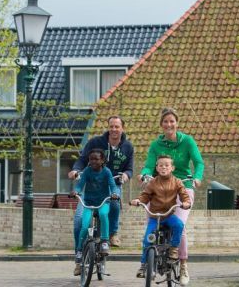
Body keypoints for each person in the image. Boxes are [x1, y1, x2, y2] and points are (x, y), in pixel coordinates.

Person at [137, 107, 204, 285]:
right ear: (161, 124)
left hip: (183, 187)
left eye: (172, 121)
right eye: (165, 121)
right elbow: (149, 165)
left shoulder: (187, 141)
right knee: (152, 222)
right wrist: (144, 174)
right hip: (159, 188)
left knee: (179, 225)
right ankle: (149, 258)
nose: (169, 124)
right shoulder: (155, 145)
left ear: (177, 123)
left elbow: (198, 162)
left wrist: (197, 177)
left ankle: (183, 266)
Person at [68, 115, 133, 248]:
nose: (114, 129)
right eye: (111, 126)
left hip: (113, 184)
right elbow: (82, 159)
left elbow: (130, 169)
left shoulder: (128, 147)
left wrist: (126, 175)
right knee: (79, 221)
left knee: (114, 203)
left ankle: (112, 233)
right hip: (92, 185)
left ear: (122, 128)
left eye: (117, 126)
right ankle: (78, 255)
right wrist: (76, 170)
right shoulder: (95, 142)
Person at [130, 154, 191, 278]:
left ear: (172, 168)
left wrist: (186, 202)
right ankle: (143, 265)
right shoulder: (152, 183)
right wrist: (138, 200)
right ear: (157, 168)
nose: (164, 168)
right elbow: (145, 195)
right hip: (155, 216)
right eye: (161, 165)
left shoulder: (177, 182)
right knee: (147, 238)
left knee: (179, 225)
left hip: (169, 215)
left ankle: (174, 248)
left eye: (167, 165)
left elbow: (184, 194)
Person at [70, 148, 119, 276]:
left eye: (96, 159)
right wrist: (76, 191)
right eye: (91, 159)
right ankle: (80, 250)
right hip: (89, 203)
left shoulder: (107, 172)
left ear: (102, 160)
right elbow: (80, 184)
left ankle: (104, 241)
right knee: (84, 225)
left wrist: (114, 193)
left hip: (103, 202)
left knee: (103, 214)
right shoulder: (87, 171)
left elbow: (113, 185)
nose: (93, 161)